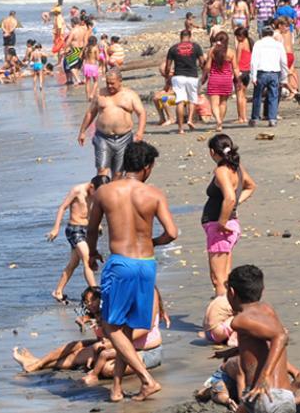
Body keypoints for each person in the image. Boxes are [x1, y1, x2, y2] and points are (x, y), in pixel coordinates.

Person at [85, 141, 177, 402]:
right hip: (146, 264)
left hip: (121, 264)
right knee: (125, 329)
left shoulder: (105, 192)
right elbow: (172, 233)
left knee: (110, 326)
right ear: (147, 167)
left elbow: (92, 229)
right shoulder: (154, 194)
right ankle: (116, 388)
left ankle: (147, 380)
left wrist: (91, 253)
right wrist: (152, 242)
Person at [216, 265, 300, 413]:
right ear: (262, 291)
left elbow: (280, 337)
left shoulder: (239, 320)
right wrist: (234, 351)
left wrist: (264, 376)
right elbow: (271, 341)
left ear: (231, 292)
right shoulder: (267, 309)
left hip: (263, 396)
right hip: (283, 396)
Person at [202, 134, 256, 297]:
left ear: (212, 152)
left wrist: (222, 222)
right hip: (228, 225)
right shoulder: (236, 167)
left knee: (218, 279)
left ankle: (221, 311)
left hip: (221, 227)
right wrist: (235, 205)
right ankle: (228, 307)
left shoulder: (222, 171)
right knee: (225, 276)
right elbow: (250, 186)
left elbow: (230, 197)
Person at [12, 287, 105, 374]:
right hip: (99, 342)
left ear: (100, 299)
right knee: (72, 345)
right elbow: (82, 318)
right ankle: (37, 362)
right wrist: (81, 321)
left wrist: (98, 322)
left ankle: (35, 363)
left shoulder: (106, 313)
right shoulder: (93, 314)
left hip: (106, 345)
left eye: (93, 300)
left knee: (75, 355)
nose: (90, 304)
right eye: (87, 302)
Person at [77, 70, 147, 180]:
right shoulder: (100, 93)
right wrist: (82, 132)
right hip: (102, 137)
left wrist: (140, 132)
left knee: (118, 173)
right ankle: (102, 190)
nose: (109, 86)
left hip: (124, 138)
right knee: (102, 171)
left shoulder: (130, 95)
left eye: (112, 83)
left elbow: (141, 113)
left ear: (120, 81)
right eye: (107, 83)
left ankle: (113, 190)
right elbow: (90, 113)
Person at [46, 174, 101, 303]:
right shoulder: (77, 190)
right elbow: (62, 207)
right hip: (74, 230)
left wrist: (97, 225)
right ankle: (96, 294)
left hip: (87, 230)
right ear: (91, 186)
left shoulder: (97, 193)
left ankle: (58, 291)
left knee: (73, 263)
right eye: (96, 192)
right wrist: (56, 228)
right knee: (87, 259)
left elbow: (93, 210)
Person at [162, 29, 204, 134]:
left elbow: (168, 66)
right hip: (192, 76)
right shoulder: (196, 47)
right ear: (190, 36)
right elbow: (202, 62)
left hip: (178, 77)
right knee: (192, 100)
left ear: (180, 37)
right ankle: (190, 119)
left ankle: (180, 128)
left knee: (179, 101)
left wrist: (167, 77)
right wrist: (203, 71)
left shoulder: (173, 48)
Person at [250, 25, 287, 127]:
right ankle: (272, 118)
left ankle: (255, 118)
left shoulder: (258, 44)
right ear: (272, 34)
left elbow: (254, 61)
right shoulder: (278, 44)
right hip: (274, 73)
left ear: (262, 34)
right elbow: (283, 62)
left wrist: (253, 76)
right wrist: (284, 77)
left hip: (261, 72)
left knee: (257, 96)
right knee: (273, 96)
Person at [203, 31, 237, 131]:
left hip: (215, 79)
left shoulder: (212, 51)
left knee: (214, 104)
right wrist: (238, 79)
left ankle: (218, 120)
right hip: (226, 80)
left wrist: (204, 76)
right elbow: (235, 68)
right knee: (223, 102)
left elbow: (208, 67)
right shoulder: (231, 52)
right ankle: (220, 123)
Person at [235, 27, 254, 124]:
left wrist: (234, 71)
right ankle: (245, 117)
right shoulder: (250, 42)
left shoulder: (241, 44)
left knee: (239, 95)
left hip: (240, 70)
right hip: (247, 71)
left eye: (237, 36)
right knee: (244, 95)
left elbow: (237, 60)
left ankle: (240, 117)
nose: (236, 38)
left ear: (241, 36)